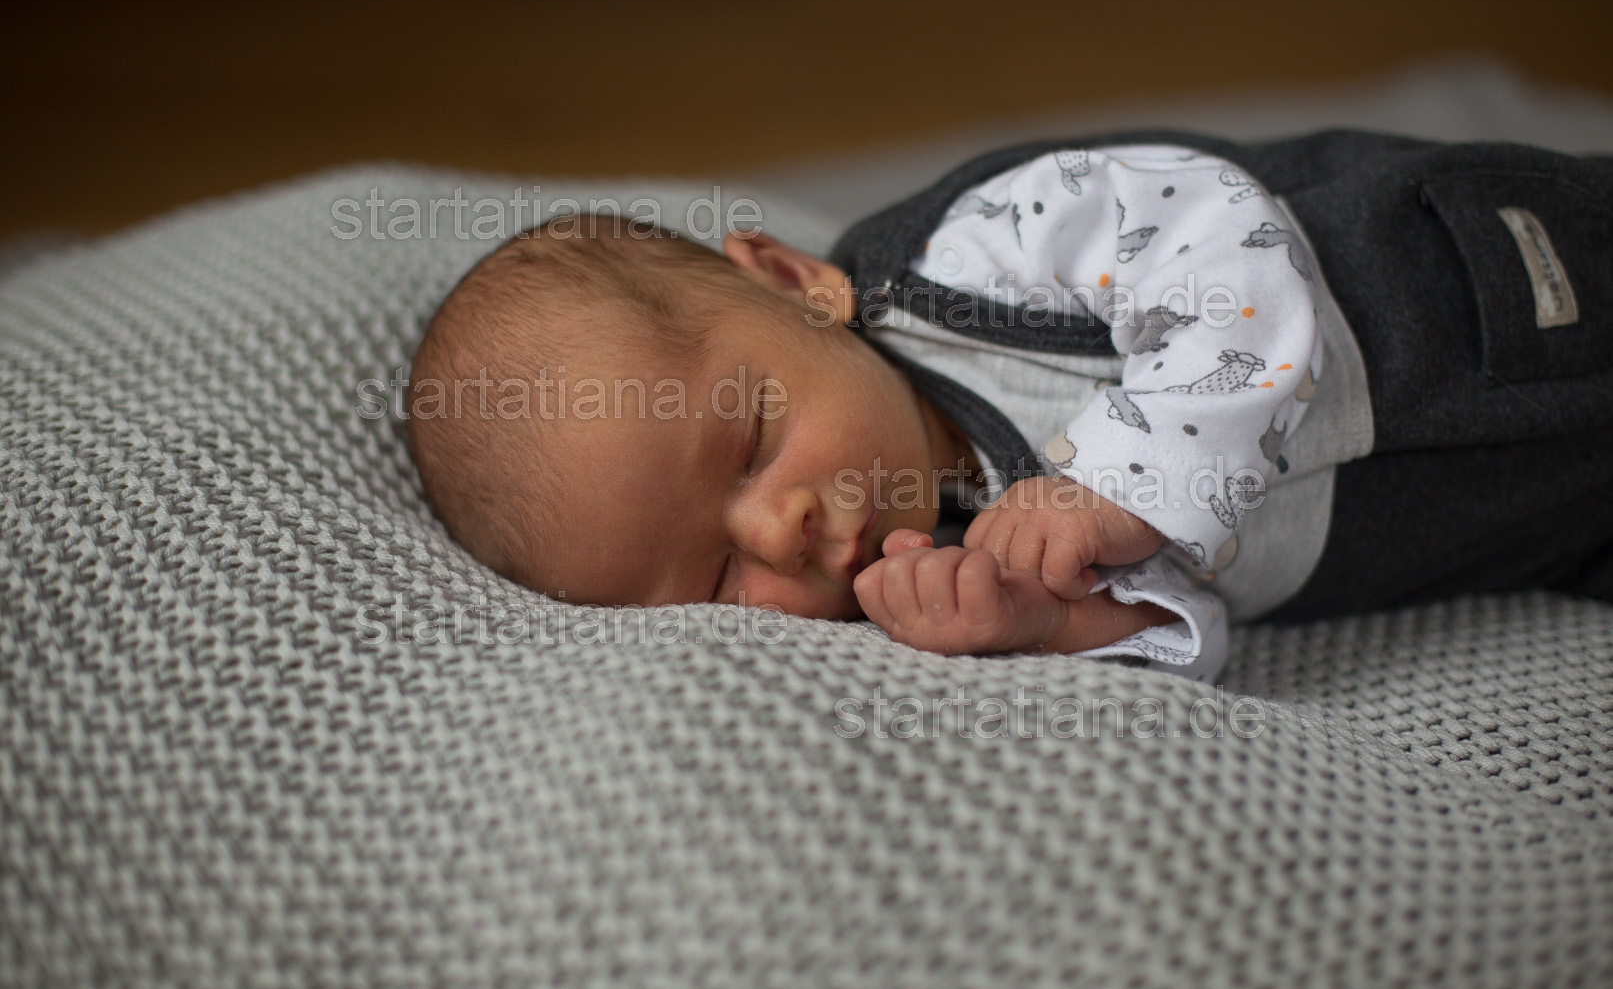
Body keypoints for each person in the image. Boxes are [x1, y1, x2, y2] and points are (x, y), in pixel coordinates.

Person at [406, 130, 1613, 680]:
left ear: (792, 285)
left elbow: (1218, 236)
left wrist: (1118, 488)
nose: (778, 531)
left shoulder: (970, 257)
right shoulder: (930, 576)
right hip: (1515, 521)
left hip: (1486, 286)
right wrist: (1043, 624)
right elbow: (1193, 629)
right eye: (718, 580)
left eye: (750, 441)